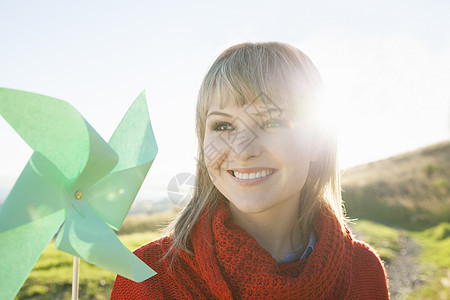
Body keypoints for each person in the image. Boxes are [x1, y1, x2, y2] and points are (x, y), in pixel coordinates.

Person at [111, 42, 389, 299]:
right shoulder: (145, 280)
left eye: (271, 122)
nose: (243, 150)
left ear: (316, 142)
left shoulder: (364, 271)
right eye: (223, 126)